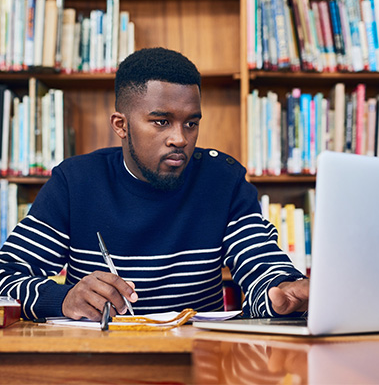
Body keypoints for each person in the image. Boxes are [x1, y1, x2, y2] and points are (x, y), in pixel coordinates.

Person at [0, 47, 309, 321]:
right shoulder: (75, 182)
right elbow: (5, 278)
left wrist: (279, 292)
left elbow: (262, 265)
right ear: (121, 125)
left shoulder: (223, 180)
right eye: (161, 121)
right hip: (101, 359)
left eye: (191, 122)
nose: (180, 138)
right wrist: (64, 298)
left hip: (199, 361)